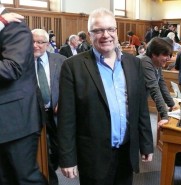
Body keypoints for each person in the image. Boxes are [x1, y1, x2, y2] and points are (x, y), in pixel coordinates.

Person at [57, 8, 154, 185]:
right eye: (98, 30)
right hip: (93, 155)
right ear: (89, 34)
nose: (106, 35)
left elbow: (141, 107)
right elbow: (66, 118)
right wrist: (67, 157)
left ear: (116, 31)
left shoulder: (133, 63)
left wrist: (146, 143)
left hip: (126, 152)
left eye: (110, 29)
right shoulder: (73, 67)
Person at [0, 5, 47, 185]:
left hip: (15, 121)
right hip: (7, 121)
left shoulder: (14, 25)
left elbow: (11, 69)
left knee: (25, 179)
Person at [32, 28, 67, 185]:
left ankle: (52, 168)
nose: (35, 45)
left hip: (57, 113)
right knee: (41, 151)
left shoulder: (60, 60)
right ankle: (49, 179)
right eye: (32, 41)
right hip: (34, 114)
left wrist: (63, 101)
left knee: (58, 150)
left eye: (40, 42)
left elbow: (69, 86)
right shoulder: (21, 62)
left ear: (47, 44)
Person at [140, 37, 175, 127]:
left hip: (140, 103)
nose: (168, 58)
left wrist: (171, 104)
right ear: (154, 54)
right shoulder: (145, 62)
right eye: (165, 55)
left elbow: (161, 84)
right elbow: (154, 88)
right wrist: (164, 116)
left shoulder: (157, 64)